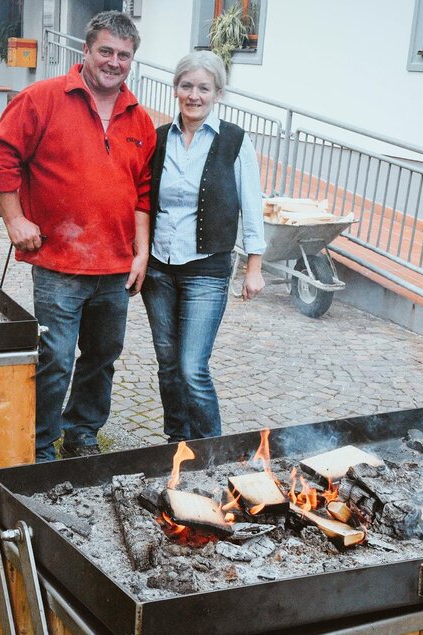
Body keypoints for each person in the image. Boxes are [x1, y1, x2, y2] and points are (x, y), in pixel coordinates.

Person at [0, 11, 156, 462]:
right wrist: (15, 221)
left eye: (124, 55)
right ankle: (40, 443)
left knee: (102, 356)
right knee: (55, 356)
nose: (114, 62)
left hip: (115, 266)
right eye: (106, 51)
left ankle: (82, 432)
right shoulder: (42, 98)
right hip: (59, 263)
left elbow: (143, 192)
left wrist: (141, 252)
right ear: (86, 51)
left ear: (132, 60)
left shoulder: (140, 120)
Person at [141, 51, 266, 442]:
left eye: (203, 88)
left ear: (218, 93)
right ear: (176, 88)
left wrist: (254, 266)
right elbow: (142, 200)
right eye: (186, 85)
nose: (194, 95)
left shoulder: (234, 140)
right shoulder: (159, 138)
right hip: (159, 268)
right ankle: (176, 446)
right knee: (167, 364)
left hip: (206, 268)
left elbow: (252, 203)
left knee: (193, 366)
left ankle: (212, 453)